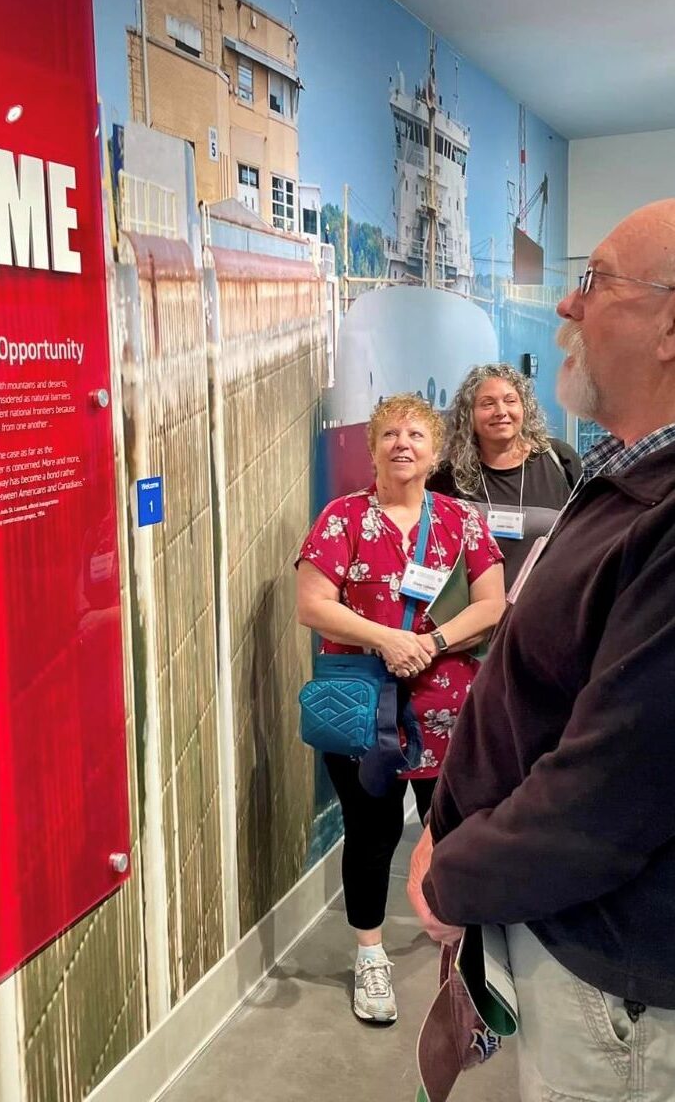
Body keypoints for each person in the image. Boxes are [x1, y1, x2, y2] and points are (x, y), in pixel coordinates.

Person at [411, 199, 675, 1101]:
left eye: (595, 280)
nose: (566, 305)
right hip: (576, 939)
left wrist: (454, 875)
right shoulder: (626, 475)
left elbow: (611, 793)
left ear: (670, 325)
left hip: (619, 985)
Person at [296, 394, 505, 1024]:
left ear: (435, 451)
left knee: (456, 833)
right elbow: (313, 604)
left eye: (416, 433)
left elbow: (491, 604)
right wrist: (387, 638)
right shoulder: (343, 520)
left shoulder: (462, 522)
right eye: (390, 433)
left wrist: (432, 643)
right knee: (371, 834)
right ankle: (369, 957)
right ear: (374, 449)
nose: (402, 443)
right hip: (363, 710)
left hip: (450, 712)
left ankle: (467, 945)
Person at [428, 364, 581, 589]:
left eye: (510, 401)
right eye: (487, 403)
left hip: (549, 604)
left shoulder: (560, 460)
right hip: (473, 614)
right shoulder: (447, 477)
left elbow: (582, 537)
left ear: (524, 408)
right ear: (468, 414)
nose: (501, 411)